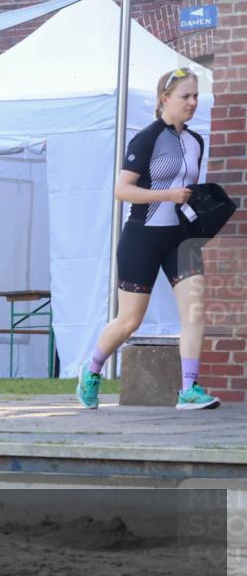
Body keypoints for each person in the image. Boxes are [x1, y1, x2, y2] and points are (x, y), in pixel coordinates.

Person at [77, 67, 220, 411]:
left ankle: (188, 389)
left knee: (194, 311)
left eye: (195, 96)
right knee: (130, 321)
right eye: (185, 96)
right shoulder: (147, 138)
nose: (192, 102)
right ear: (164, 99)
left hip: (181, 239)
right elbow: (121, 190)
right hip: (142, 237)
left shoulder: (195, 140)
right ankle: (91, 370)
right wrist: (169, 195)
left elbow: (187, 190)